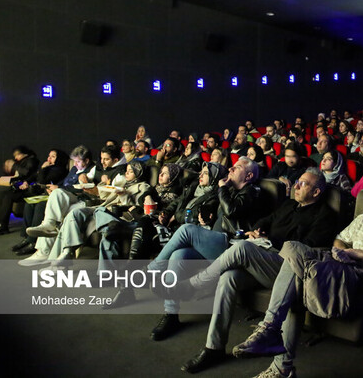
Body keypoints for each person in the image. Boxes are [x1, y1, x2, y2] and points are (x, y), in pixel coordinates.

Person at [230, 174, 363, 378]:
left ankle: (275, 349)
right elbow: (339, 240)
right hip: (340, 268)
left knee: (294, 264)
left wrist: (357, 254)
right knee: (293, 255)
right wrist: (341, 253)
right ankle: (275, 345)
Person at [158, 168, 337, 373]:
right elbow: (268, 220)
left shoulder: (325, 216)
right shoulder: (289, 205)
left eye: (303, 183)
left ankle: (194, 285)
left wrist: (272, 240)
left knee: (242, 247)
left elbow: (306, 249)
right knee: (228, 277)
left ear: (316, 192)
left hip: (288, 268)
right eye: (297, 181)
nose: (296, 185)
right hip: (265, 259)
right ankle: (213, 347)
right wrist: (258, 230)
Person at [146, 157, 263, 337]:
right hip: (219, 241)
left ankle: (153, 268)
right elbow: (223, 215)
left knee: (187, 230)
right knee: (179, 255)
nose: (231, 168)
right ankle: (171, 314)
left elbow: (232, 211)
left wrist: (222, 188)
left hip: (232, 247)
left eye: (237, 167)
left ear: (248, 176)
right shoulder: (230, 190)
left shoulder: (252, 192)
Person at [41, 162, 153, 269]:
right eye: (127, 170)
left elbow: (137, 207)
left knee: (98, 214)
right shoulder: (124, 184)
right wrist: (105, 184)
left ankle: (57, 263)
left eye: (131, 171)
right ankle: (67, 251)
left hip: (118, 213)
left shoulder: (143, 187)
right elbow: (105, 196)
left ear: (139, 173)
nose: (127, 173)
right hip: (104, 207)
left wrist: (124, 196)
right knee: (75, 213)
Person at [10, 149, 69, 254]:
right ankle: (27, 237)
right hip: (42, 194)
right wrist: (26, 182)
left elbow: (41, 181)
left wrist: (42, 169)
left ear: (59, 158)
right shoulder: (49, 168)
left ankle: (33, 241)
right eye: (49, 156)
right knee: (29, 204)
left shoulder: (60, 170)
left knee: (39, 206)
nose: (49, 158)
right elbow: (34, 176)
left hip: (52, 196)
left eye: (53, 156)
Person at [0, 145, 40, 234]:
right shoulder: (20, 162)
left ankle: (2, 224)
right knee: (1, 191)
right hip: (18, 186)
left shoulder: (32, 160)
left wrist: (14, 165)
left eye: (17, 155)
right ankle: (1, 223)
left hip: (27, 188)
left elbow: (26, 173)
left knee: (4, 192)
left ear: (24, 154)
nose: (16, 157)